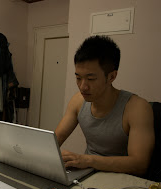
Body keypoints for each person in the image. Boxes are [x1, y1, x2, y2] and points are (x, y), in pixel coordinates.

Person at [55, 35, 155, 177]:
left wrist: (88, 160)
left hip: (123, 180)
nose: (83, 87)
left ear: (112, 77)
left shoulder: (137, 108)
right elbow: (55, 140)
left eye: (91, 79)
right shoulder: (78, 101)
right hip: (87, 174)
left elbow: (139, 164)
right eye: (78, 78)